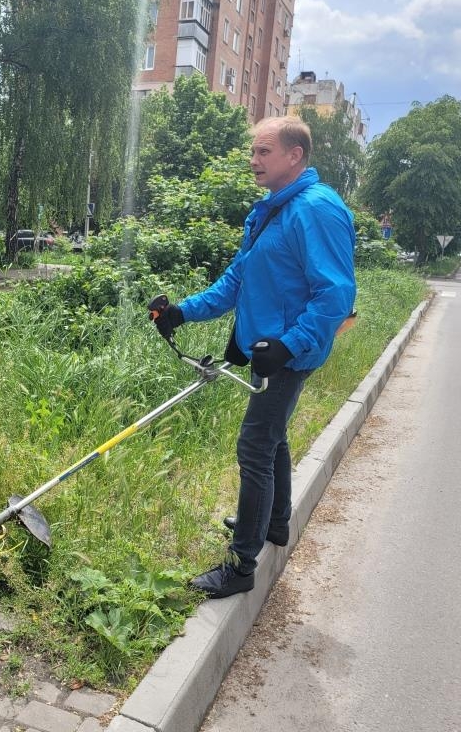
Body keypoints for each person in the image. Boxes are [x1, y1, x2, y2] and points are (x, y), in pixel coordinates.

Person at [151, 116, 357, 599]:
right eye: (254, 151)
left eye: (264, 152)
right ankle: (274, 525)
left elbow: (335, 295)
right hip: (271, 347)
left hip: (288, 353)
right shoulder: (273, 210)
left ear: (294, 156)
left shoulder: (316, 210)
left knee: (255, 446)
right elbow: (237, 281)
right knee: (273, 438)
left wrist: (290, 344)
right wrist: (182, 313)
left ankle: (242, 565)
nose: (254, 160)